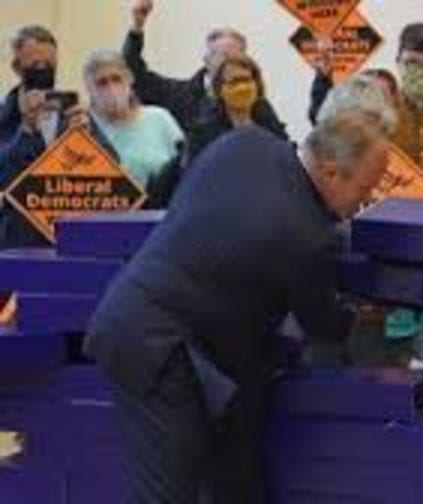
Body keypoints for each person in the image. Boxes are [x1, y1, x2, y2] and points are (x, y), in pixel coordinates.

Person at [84, 87, 395, 503]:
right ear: (333, 172)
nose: (365, 202)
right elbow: (322, 324)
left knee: (230, 467)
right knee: (171, 491)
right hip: (155, 346)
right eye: (366, 188)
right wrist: (363, 314)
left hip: (149, 318)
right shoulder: (305, 235)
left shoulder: (245, 143)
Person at [310, 23, 423, 169]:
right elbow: (329, 131)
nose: (421, 71)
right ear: (398, 62)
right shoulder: (377, 109)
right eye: (412, 62)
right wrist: (323, 79)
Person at [0, 26, 99, 248]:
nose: (43, 70)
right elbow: (4, 176)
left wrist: (88, 140)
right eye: (35, 66)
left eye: (49, 65)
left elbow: (112, 168)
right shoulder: (4, 118)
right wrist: (26, 131)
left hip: (69, 240)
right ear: (16, 67)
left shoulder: (72, 111)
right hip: (16, 242)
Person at [125, 0, 285, 133]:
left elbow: (280, 144)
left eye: (236, 56)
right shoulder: (179, 94)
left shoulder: (255, 102)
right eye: (222, 55)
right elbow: (134, 74)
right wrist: (137, 26)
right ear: (206, 59)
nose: (228, 63)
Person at [84, 50, 184, 204]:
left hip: (161, 215)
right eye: (101, 82)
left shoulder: (159, 118)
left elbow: (185, 169)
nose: (111, 87)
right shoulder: (85, 128)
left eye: (116, 79)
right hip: (105, 220)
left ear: (129, 79)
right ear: (89, 89)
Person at [185, 54, 288, 164]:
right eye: (234, 81)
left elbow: (285, 158)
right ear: (219, 89)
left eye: (246, 80)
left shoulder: (269, 123)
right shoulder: (204, 132)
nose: (242, 88)